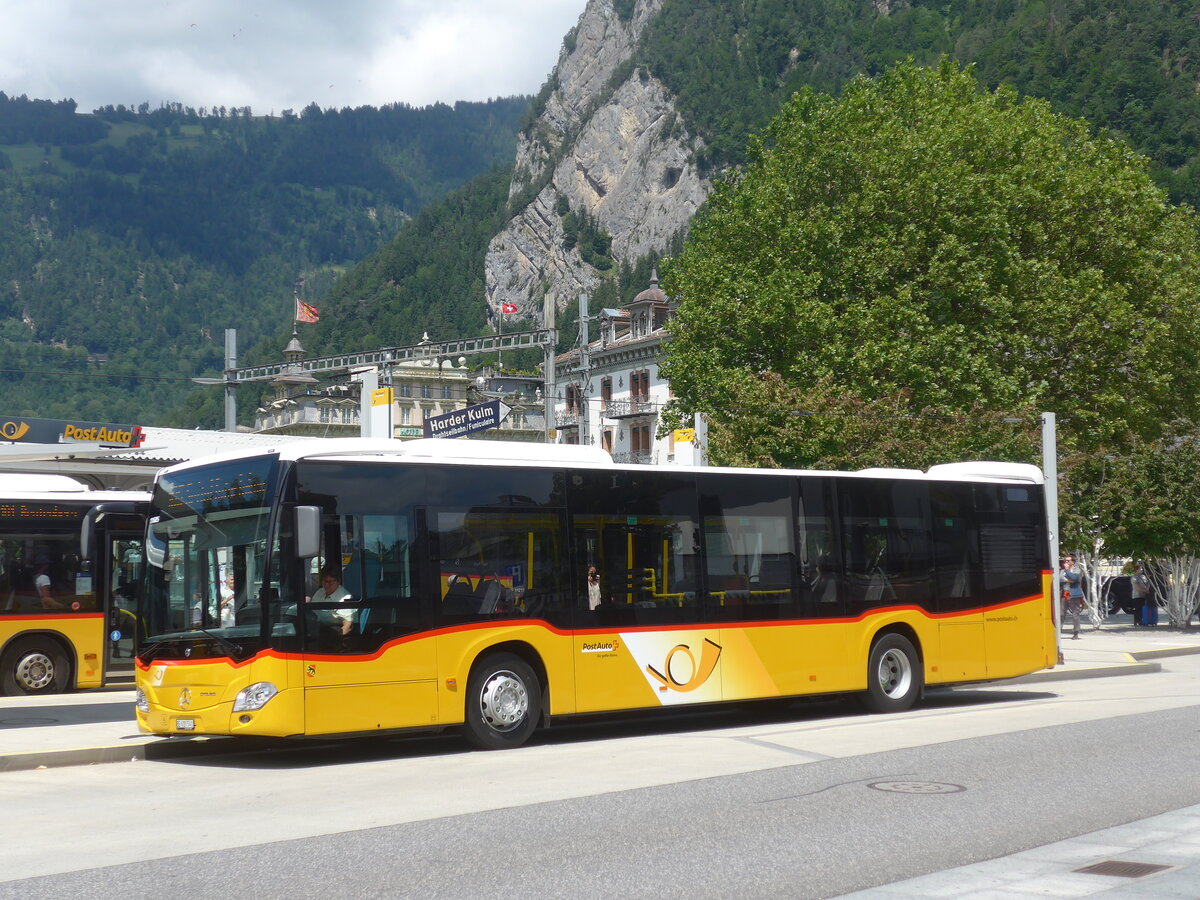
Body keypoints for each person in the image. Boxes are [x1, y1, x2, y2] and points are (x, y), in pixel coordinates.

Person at [311, 568, 354, 635]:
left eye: (330, 582)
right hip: (315, 628)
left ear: (338, 581)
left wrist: (336, 639)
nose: (327, 585)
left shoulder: (345, 598)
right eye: (325, 581)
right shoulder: (320, 592)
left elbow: (348, 626)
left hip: (333, 632)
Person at [1062, 554, 1084, 639]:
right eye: (1065, 561)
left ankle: (1076, 632)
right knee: (1061, 613)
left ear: (1073, 562)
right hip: (1064, 593)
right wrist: (1069, 580)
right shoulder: (1062, 571)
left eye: (1068, 561)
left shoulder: (1077, 570)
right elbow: (1060, 579)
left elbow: (1075, 579)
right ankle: (1058, 630)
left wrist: (1067, 572)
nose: (1066, 562)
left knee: (1075, 613)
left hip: (1074, 594)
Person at [1131, 562, 1153, 627]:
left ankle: (1142, 620)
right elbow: (1136, 587)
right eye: (1139, 569)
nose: (1141, 570)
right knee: (1138, 609)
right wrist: (1145, 590)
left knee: (1143, 609)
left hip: (1143, 595)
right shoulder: (1134, 578)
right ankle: (1137, 621)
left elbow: (1147, 583)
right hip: (1137, 596)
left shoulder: (1143, 577)